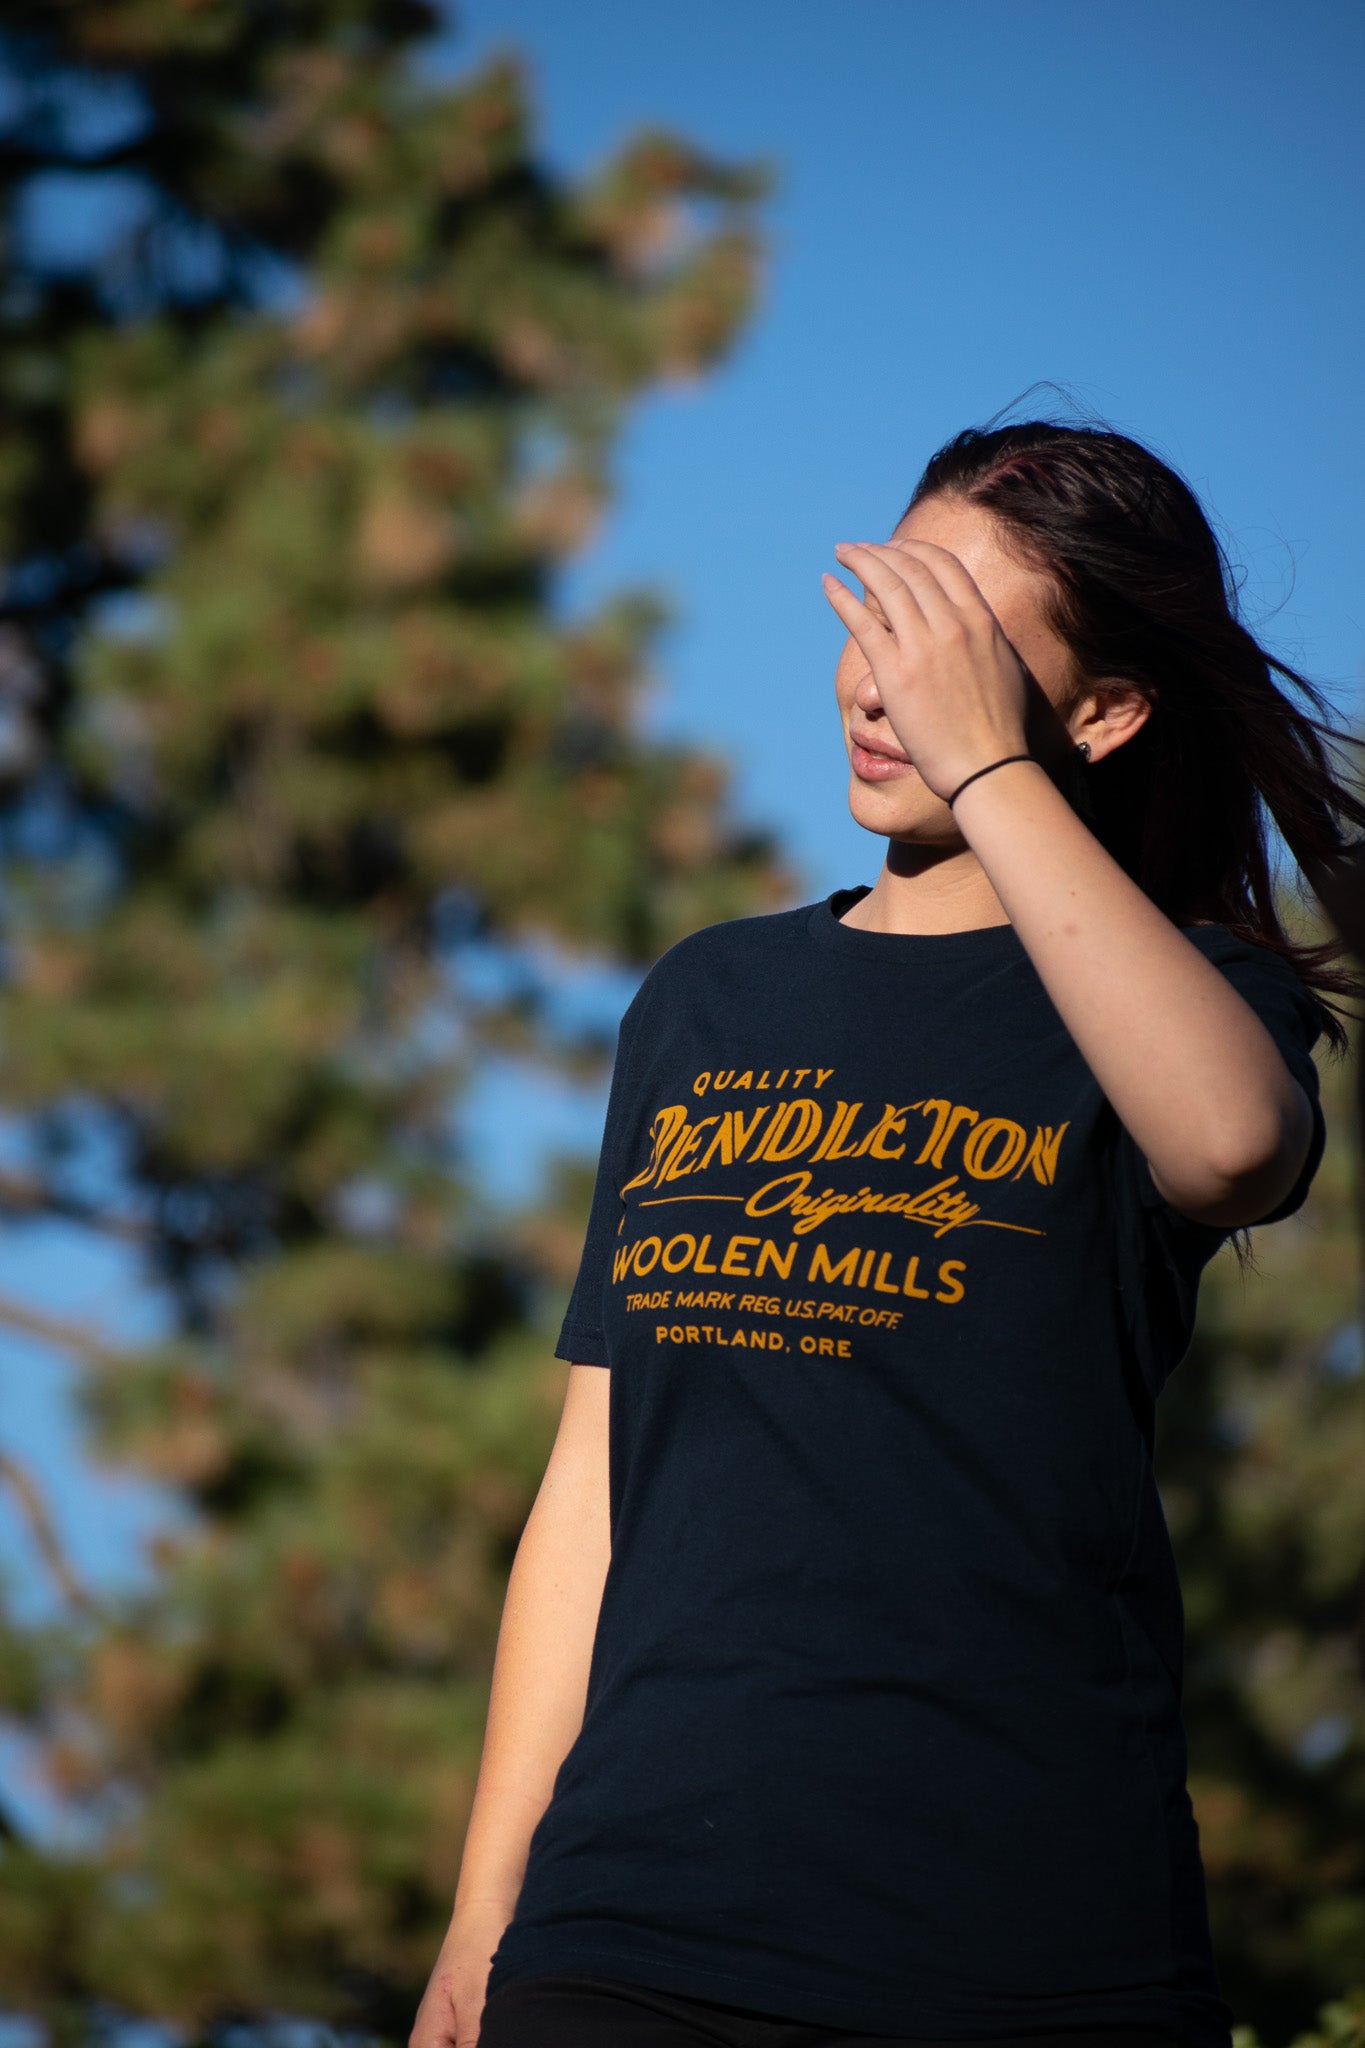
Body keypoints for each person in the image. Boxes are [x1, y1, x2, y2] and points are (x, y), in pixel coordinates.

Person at [409, 416, 1365, 2048]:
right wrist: (485, 1912)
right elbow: (593, 1481)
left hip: (1027, 1942)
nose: (881, 684)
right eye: (883, 612)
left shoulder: (1186, 1003)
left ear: (1103, 711)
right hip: (629, 1930)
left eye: (958, 646)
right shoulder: (709, 997)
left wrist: (987, 767)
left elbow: (1226, 1146)